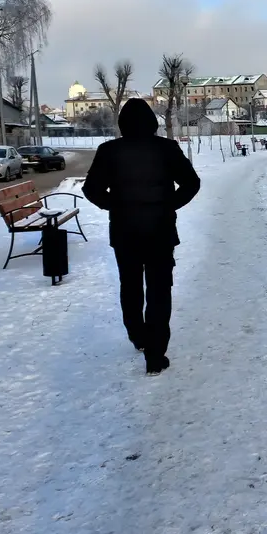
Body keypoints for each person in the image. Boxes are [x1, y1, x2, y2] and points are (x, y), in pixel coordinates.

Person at [82, 98, 201, 375]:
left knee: (130, 285)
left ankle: (138, 336)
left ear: (122, 123)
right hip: (160, 230)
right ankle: (156, 355)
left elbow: (91, 189)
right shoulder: (166, 148)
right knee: (160, 290)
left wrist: (115, 205)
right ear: (152, 122)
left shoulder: (109, 150)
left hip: (125, 232)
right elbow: (191, 183)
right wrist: (169, 204)